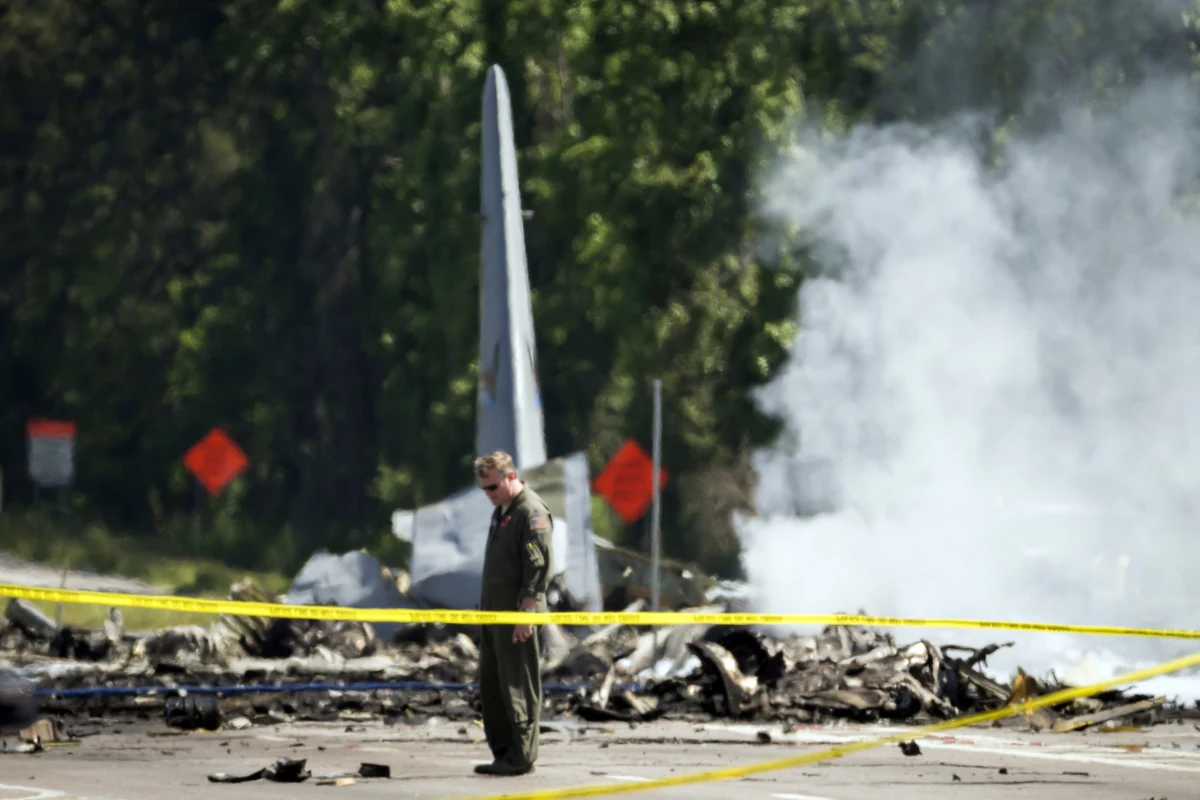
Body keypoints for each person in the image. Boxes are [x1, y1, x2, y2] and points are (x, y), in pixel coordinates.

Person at [472, 450, 553, 776]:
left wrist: (526, 612)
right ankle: (504, 753)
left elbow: (538, 566)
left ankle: (521, 756)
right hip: (494, 616)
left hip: (517, 616)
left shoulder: (530, 511)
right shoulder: (502, 510)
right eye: (484, 489)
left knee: (518, 685)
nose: (488, 495)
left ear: (510, 476)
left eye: (492, 487)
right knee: (492, 686)